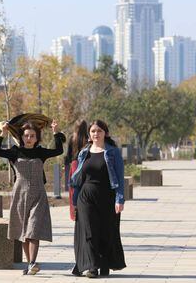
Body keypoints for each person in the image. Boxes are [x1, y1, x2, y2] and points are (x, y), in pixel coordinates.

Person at [0, 120, 64, 275]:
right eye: (26, 136)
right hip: (20, 194)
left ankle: (32, 262)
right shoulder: (14, 152)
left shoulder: (40, 152)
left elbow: (59, 150)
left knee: (33, 229)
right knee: (23, 231)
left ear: (37, 138)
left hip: (38, 194)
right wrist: (3, 134)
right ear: (22, 137)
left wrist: (56, 131)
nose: (29, 138)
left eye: (32, 136)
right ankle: (30, 263)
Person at [70, 119, 126, 278]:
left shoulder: (113, 152)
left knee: (105, 231)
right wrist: (74, 201)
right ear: (89, 134)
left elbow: (120, 178)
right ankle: (91, 266)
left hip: (107, 196)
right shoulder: (84, 152)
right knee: (88, 230)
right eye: (93, 131)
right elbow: (79, 178)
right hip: (86, 196)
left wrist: (119, 199)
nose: (96, 134)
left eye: (99, 131)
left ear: (105, 133)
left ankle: (104, 263)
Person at [65, 120, 88, 220]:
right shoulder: (87, 139)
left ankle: (74, 213)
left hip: (74, 165)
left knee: (73, 190)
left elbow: (68, 155)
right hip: (85, 165)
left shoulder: (72, 138)